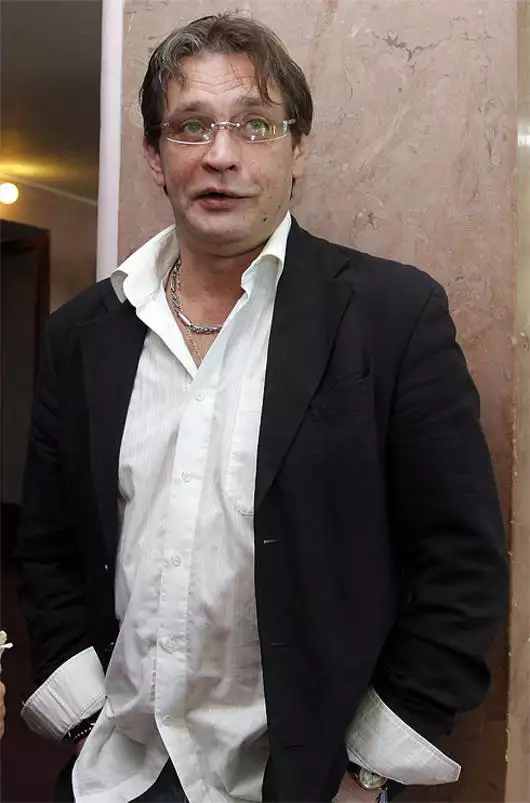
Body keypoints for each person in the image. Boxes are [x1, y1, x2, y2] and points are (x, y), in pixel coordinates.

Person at [16, 12, 508, 803]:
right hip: (121, 775)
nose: (221, 154)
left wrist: (366, 773)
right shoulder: (82, 335)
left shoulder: (390, 318)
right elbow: (46, 549)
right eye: (191, 126)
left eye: (254, 123)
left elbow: (462, 565)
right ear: (155, 155)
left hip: (304, 780)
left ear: (296, 147)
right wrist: (82, 717)